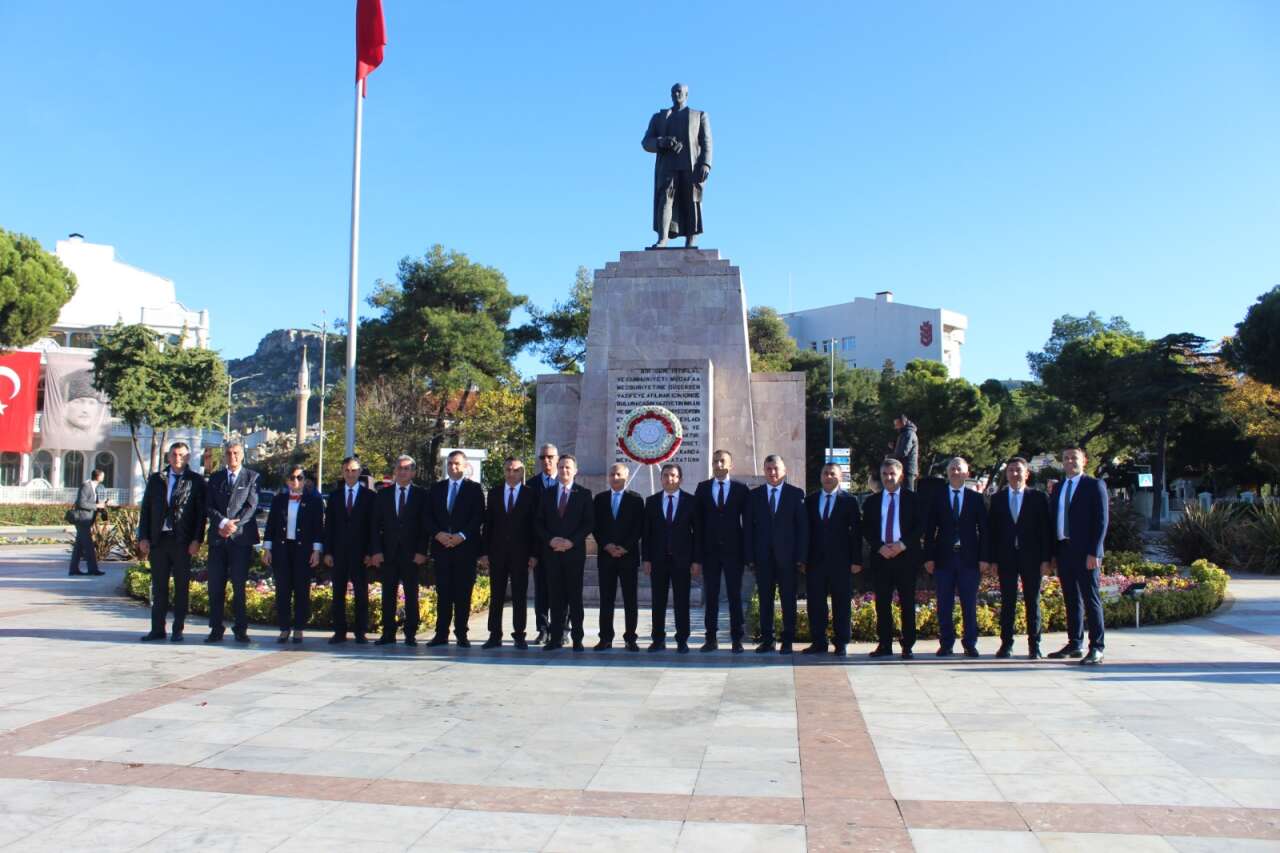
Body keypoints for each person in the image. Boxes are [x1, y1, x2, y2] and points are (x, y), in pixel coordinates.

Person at [983, 457, 1053, 659]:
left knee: (1033, 601)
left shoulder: (1038, 497)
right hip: (1006, 558)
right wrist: (993, 560)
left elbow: (1045, 531)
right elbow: (992, 532)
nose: (1014, 474)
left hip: (1032, 558)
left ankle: (1034, 645)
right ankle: (1006, 644)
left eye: (1018, 470)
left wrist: (1046, 559)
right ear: (1006, 474)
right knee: (1008, 602)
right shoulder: (997, 499)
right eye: (1011, 470)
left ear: (1027, 474)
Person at [138, 442, 207, 642]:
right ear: (168, 457)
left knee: (181, 588)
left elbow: (201, 515)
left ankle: (178, 629)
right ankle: (157, 629)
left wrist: (196, 539)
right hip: (159, 540)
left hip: (182, 541)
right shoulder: (156, 479)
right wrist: (143, 537)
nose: (178, 458)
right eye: (174, 454)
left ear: (188, 457)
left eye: (182, 455)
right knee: (159, 588)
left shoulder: (196, 481)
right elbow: (146, 509)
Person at [1049, 447, 1109, 665]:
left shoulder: (1094, 485)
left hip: (1086, 553)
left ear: (1084, 460)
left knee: (1090, 598)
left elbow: (1102, 520)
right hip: (1064, 550)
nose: (1069, 461)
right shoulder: (1058, 487)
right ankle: (1075, 643)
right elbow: (1053, 519)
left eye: (1074, 457)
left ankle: (1097, 647)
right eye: (1065, 458)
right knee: (1071, 599)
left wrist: (1095, 551)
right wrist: (1053, 553)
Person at [923, 457, 987, 658]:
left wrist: (984, 558)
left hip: (969, 559)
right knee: (944, 603)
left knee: (969, 603)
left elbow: (984, 530)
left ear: (967, 473)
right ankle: (946, 643)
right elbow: (929, 530)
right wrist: (929, 557)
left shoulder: (976, 498)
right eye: (952, 469)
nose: (955, 472)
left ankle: (970, 643)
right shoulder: (937, 497)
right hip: (944, 559)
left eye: (959, 469)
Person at [745, 455, 808, 654]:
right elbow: (748, 529)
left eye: (776, 468)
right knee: (765, 600)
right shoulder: (754, 496)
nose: (772, 472)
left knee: (788, 600)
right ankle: (768, 640)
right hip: (762, 558)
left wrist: (801, 557)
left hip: (788, 559)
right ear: (764, 471)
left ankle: (787, 640)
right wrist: (750, 557)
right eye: (768, 469)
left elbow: (802, 528)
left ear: (784, 470)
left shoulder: (796, 494)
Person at [862, 458, 923, 659]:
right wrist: (880, 547)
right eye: (885, 474)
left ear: (901, 476)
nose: (888, 478)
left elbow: (920, 526)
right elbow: (867, 528)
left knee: (907, 602)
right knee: (882, 603)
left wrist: (902, 544)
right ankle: (884, 644)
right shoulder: (872, 501)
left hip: (906, 557)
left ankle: (908, 645)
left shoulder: (913, 499)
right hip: (881, 558)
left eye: (892, 474)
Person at [534, 454, 594, 650]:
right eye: (561, 467)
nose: (564, 470)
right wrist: (551, 540)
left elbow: (588, 523)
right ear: (557, 469)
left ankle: (577, 638)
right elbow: (538, 522)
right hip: (551, 553)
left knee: (575, 597)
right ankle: (556, 638)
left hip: (574, 553)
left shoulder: (584, 494)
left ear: (575, 470)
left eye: (568, 467)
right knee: (555, 597)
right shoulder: (547, 494)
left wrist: (571, 542)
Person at [642, 82, 712, 248]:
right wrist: (662, 142)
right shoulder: (660, 117)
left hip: (691, 166)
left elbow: (707, 141)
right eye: (673, 92)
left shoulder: (699, 115)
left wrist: (706, 163)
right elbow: (646, 142)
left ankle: (691, 240)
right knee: (665, 200)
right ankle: (662, 239)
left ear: (686, 94)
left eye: (679, 91)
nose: (676, 94)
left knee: (691, 200)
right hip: (668, 167)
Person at [692, 449, 750, 653]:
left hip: (734, 552)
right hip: (710, 552)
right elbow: (697, 524)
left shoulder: (741, 489)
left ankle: (737, 639)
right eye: (715, 461)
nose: (718, 465)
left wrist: (747, 554)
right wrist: (697, 557)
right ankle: (711, 638)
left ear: (730, 465)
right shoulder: (703, 488)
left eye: (722, 461)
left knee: (735, 595)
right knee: (711, 596)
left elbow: (748, 524)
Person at [369, 455, 430, 646]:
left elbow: (425, 527)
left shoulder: (422, 495)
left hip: (412, 554)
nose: (402, 472)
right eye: (400, 468)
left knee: (411, 593)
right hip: (388, 553)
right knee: (388, 593)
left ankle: (410, 633)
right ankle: (388, 633)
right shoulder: (383, 495)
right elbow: (374, 525)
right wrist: (376, 551)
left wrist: (422, 551)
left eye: (407, 468)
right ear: (395, 470)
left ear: (413, 472)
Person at [480, 457, 539, 649]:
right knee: (496, 595)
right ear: (504, 471)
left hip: (521, 554)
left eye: (515, 470)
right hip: (497, 553)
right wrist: (484, 552)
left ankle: (519, 635)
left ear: (522, 472)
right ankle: (494, 634)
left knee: (519, 595)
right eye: (508, 470)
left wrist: (534, 554)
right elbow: (488, 525)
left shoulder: (531, 494)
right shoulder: (494, 493)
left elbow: (535, 527)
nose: (511, 474)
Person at [427, 450, 484, 647]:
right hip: (441, 548)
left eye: (457, 463)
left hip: (465, 549)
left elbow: (478, 516)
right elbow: (428, 517)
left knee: (463, 594)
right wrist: (438, 534)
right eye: (450, 463)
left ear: (465, 466)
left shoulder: (474, 489)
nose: (453, 467)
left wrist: (462, 535)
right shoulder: (436, 488)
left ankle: (461, 633)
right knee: (443, 593)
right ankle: (441, 633)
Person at [204, 441, 260, 643]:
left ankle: (241, 629)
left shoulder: (252, 477)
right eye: (228, 453)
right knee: (215, 586)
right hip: (218, 539)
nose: (232, 456)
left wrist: (233, 525)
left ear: (242, 455)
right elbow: (208, 505)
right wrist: (223, 522)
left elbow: (251, 506)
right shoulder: (215, 478)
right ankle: (216, 629)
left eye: (236, 453)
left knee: (239, 586)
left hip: (240, 539)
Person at [804, 463, 862, 657]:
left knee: (841, 603)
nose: (828, 477)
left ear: (840, 477)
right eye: (825, 473)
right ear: (821, 476)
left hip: (841, 561)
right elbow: (805, 531)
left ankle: (841, 642)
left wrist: (856, 560)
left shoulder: (850, 501)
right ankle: (818, 642)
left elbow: (856, 533)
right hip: (815, 561)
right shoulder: (810, 500)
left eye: (832, 474)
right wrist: (802, 559)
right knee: (815, 603)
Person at [262, 465, 324, 644]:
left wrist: (316, 551)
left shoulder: (314, 501)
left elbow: (318, 528)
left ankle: (298, 628)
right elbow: (271, 526)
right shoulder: (279, 499)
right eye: (292, 478)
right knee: (282, 590)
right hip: (282, 549)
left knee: (301, 590)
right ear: (286, 480)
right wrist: (267, 549)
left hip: (303, 550)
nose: (295, 481)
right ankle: (284, 628)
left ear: (305, 480)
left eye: (299, 478)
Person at [642, 463, 698, 653]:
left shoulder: (690, 501)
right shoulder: (651, 501)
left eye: (673, 475)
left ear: (680, 479)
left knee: (682, 601)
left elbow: (697, 533)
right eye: (665, 475)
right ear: (661, 479)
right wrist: (646, 559)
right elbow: (647, 534)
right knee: (658, 601)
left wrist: (696, 560)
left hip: (682, 560)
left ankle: (682, 640)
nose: (669, 479)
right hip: (658, 560)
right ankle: (658, 639)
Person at [324, 455, 376, 644]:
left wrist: (370, 552)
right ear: (342, 472)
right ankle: (339, 631)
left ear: (360, 471)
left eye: (354, 470)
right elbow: (329, 526)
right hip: (338, 552)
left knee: (361, 593)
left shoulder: (370, 496)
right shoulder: (334, 496)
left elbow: (373, 527)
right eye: (347, 470)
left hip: (361, 553)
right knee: (338, 593)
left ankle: (360, 631)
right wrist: (328, 552)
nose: (350, 473)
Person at [593, 462, 644, 651]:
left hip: (628, 557)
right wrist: (606, 545)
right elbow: (595, 526)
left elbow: (639, 527)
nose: (615, 478)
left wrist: (624, 547)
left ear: (626, 476)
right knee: (606, 599)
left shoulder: (636, 499)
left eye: (619, 474)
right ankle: (605, 638)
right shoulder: (600, 499)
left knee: (630, 599)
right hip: (606, 557)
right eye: (612, 474)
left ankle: (630, 638)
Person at [526, 443, 561, 644]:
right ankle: (543, 629)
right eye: (542, 457)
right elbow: (529, 521)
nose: (546, 461)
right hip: (539, 548)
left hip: (563, 547)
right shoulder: (531, 485)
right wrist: (532, 552)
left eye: (550, 457)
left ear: (557, 459)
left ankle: (561, 629)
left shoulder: (567, 482)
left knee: (562, 591)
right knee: (541, 592)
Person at [68, 468, 106, 576]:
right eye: (102, 476)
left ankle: (73, 569)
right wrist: (97, 505)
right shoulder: (86, 486)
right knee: (89, 546)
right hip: (82, 520)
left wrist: (101, 506)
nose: (103, 477)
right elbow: (81, 503)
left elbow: (90, 503)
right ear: (98, 476)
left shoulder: (94, 487)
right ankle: (92, 569)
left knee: (79, 546)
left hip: (87, 520)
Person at [891, 415, 919, 492]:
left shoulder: (908, 434)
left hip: (907, 470)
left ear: (903, 423)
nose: (895, 427)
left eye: (897, 424)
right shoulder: (905, 434)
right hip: (905, 469)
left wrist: (890, 457)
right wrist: (895, 447)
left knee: (908, 494)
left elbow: (903, 452)